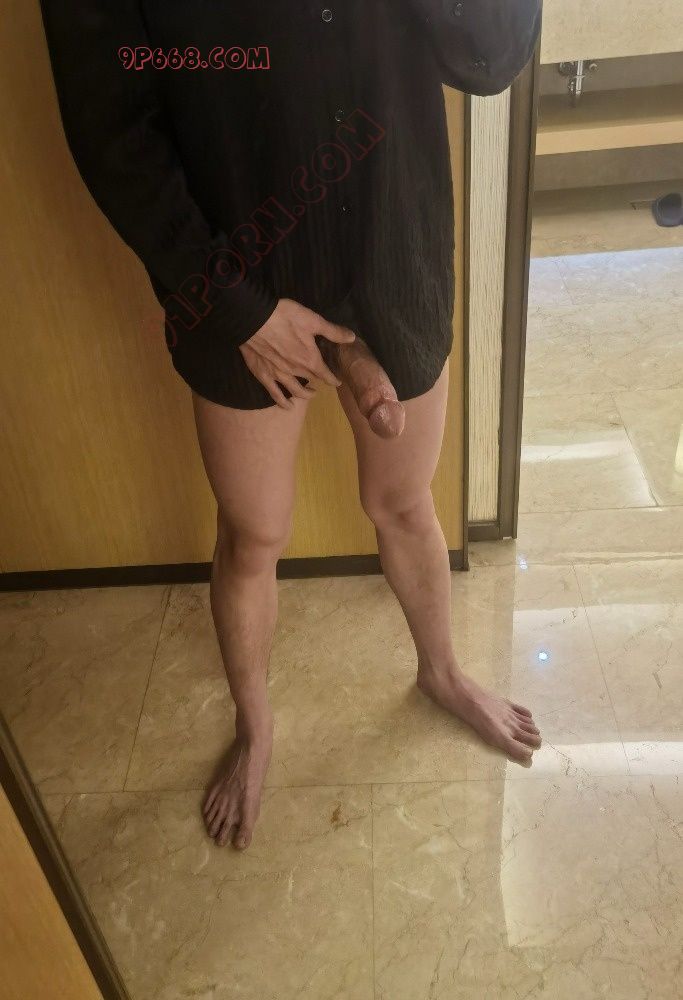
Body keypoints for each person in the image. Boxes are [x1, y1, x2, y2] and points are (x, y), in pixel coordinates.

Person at [41, 0, 543, 850]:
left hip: (392, 241)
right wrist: (233, 307)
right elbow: (109, 128)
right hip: (227, 261)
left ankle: (442, 672)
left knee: (405, 501)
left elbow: (491, 57)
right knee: (252, 535)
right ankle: (256, 724)